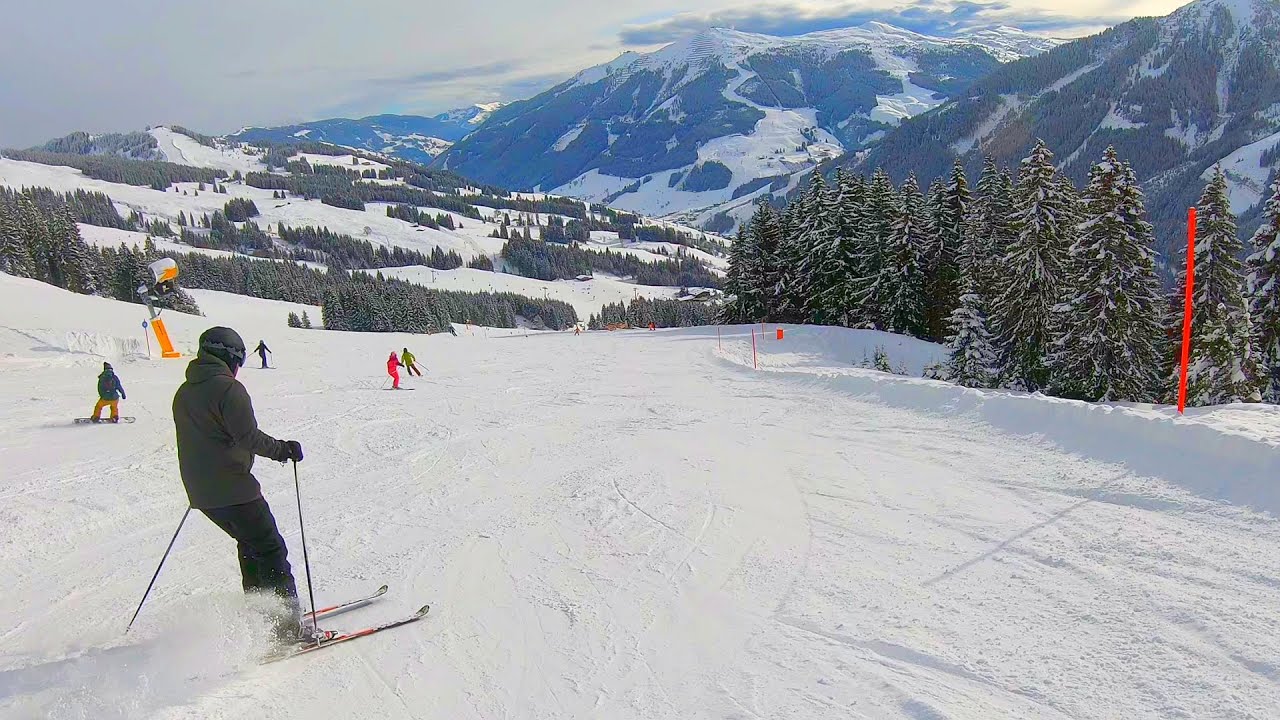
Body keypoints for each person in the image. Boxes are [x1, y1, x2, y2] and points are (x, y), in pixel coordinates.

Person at [172, 327, 320, 644]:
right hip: (233, 487)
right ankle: (287, 626)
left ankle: (262, 618)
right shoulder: (228, 389)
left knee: (251, 547)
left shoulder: (184, 391)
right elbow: (248, 437)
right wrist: (284, 450)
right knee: (270, 549)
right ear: (230, 357)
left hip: (201, 492)